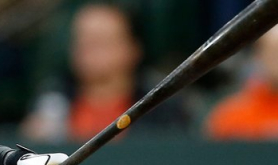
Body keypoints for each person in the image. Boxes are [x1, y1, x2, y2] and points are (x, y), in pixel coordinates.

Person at [21, 2, 189, 143]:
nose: (88, 50)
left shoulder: (161, 105)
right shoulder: (52, 99)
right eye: (83, 40)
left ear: (132, 49)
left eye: (101, 42)